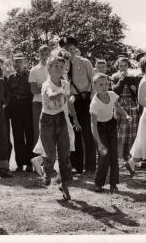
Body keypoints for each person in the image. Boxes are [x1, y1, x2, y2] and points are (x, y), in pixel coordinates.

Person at [59, 36, 96, 174]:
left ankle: (91, 166)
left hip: (85, 100)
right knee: (74, 134)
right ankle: (77, 166)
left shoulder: (85, 62)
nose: (70, 50)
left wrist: (92, 100)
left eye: (71, 47)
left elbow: (94, 81)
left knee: (88, 133)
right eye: (66, 48)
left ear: (75, 48)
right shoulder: (61, 64)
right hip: (70, 101)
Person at [90, 73, 132, 193]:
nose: (104, 86)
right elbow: (93, 125)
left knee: (114, 155)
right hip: (100, 128)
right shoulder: (94, 104)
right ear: (94, 86)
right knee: (104, 156)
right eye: (101, 84)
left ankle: (113, 184)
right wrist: (99, 143)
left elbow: (116, 106)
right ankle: (99, 184)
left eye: (106, 84)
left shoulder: (112, 94)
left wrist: (126, 115)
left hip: (111, 125)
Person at [40, 56, 73, 201]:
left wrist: (71, 99)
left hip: (60, 119)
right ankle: (47, 171)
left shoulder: (65, 83)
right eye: (56, 66)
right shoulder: (46, 84)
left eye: (62, 66)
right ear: (49, 68)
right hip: (47, 120)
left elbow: (68, 100)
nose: (59, 68)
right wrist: (61, 92)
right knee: (50, 154)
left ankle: (64, 185)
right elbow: (51, 96)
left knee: (64, 154)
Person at [8, 54, 34, 172]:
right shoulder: (10, 78)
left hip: (28, 107)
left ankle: (29, 163)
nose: (17, 64)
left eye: (19, 61)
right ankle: (19, 164)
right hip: (15, 109)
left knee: (29, 135)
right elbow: (8, 95)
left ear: (25, 63)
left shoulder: (30, 75)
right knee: (17, 136)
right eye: (15, 62)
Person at [111, 57, 139, 162]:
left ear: (128, 66)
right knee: (120, 131)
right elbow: (115, 91)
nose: (123, 68)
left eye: (125, 65)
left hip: (131, 105)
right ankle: (120, 156)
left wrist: (135, 89)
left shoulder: (133, 77)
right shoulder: (114, 76)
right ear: (117, 67)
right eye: (120, 66)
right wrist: (122, 79)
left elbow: (137, 93)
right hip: (119, 104)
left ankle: (129, 155)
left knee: (131, 131)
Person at [29, 45, 51, 145]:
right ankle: (38, 160)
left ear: (50, 55)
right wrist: (46, 86)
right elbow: (33, 90)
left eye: (47, 54)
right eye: (42, 54)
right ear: (39, 55)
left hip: (52, 103)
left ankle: (50, 160)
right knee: (38, 133)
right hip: (38, 103)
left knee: (51, 133)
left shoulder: (54, 68)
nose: (44, 56)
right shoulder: (34, 70)